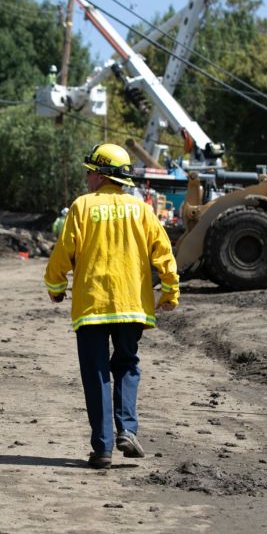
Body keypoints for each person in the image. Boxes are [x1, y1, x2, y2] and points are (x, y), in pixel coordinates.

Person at [44, 143, 180, 469]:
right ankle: (128, 430)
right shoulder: (142, 210)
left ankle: (102, 448)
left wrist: (56, 287)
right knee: (127, 366)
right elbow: (164, 254)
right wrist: (171, 292)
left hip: (92, 307)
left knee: (97, 374)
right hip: (132, 306)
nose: (87, 178)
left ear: (101, 175)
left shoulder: (82, 207)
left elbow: (63, 253)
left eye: (90, 172)